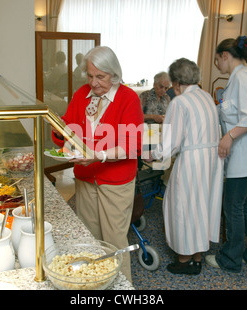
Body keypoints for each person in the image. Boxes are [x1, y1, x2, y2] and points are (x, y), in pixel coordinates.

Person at [51, 46, 144, 282]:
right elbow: (70, 128)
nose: (93, 83)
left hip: (115, 181)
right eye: (90, 76)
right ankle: (93, 285)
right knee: (89, 239)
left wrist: (97, 155)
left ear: (114, 74)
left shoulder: (128, 98)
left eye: (100, 77)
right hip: (85, 178)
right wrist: (61, 132)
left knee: (114, 242)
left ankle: (122, 287)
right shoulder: (82, 94)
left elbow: (132, 146)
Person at [145, 58, 224, 275]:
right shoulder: (206, 95)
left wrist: (152, 155)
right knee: (200, 206)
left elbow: (171, 142)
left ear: (177, 81)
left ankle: (184, 259)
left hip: (192, 160)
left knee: (182, 206)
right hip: (210, 158)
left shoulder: (179, 103)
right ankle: (197, 256)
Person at [205, 36, 247, 273]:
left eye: (217, 60)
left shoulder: (243, 78)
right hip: (246, 157)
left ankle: (230, 260)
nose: (217, 66)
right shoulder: (238, 79)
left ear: (225, 55)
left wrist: (229, 136)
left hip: (245, 156)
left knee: (233, 205)